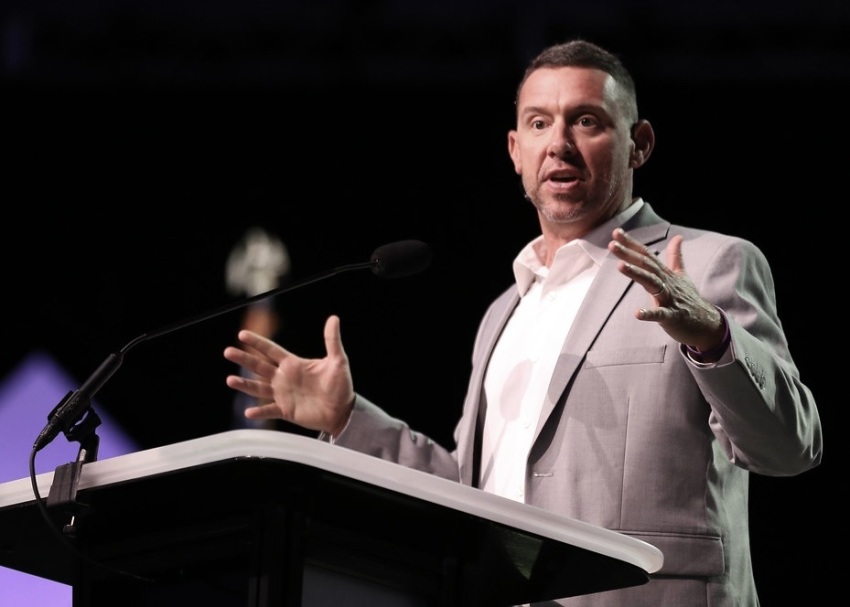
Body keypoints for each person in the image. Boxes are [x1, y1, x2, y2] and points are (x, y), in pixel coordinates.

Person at [223, 39, 822, 606]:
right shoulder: (504, 312)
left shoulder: (710, 263)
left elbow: (788, 447)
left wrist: (712, 336)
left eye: (586, 120)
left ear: (639, 143)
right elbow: (469, 496)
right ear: (515, 151)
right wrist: (348, 421)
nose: (558, 143)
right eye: (539, 123)